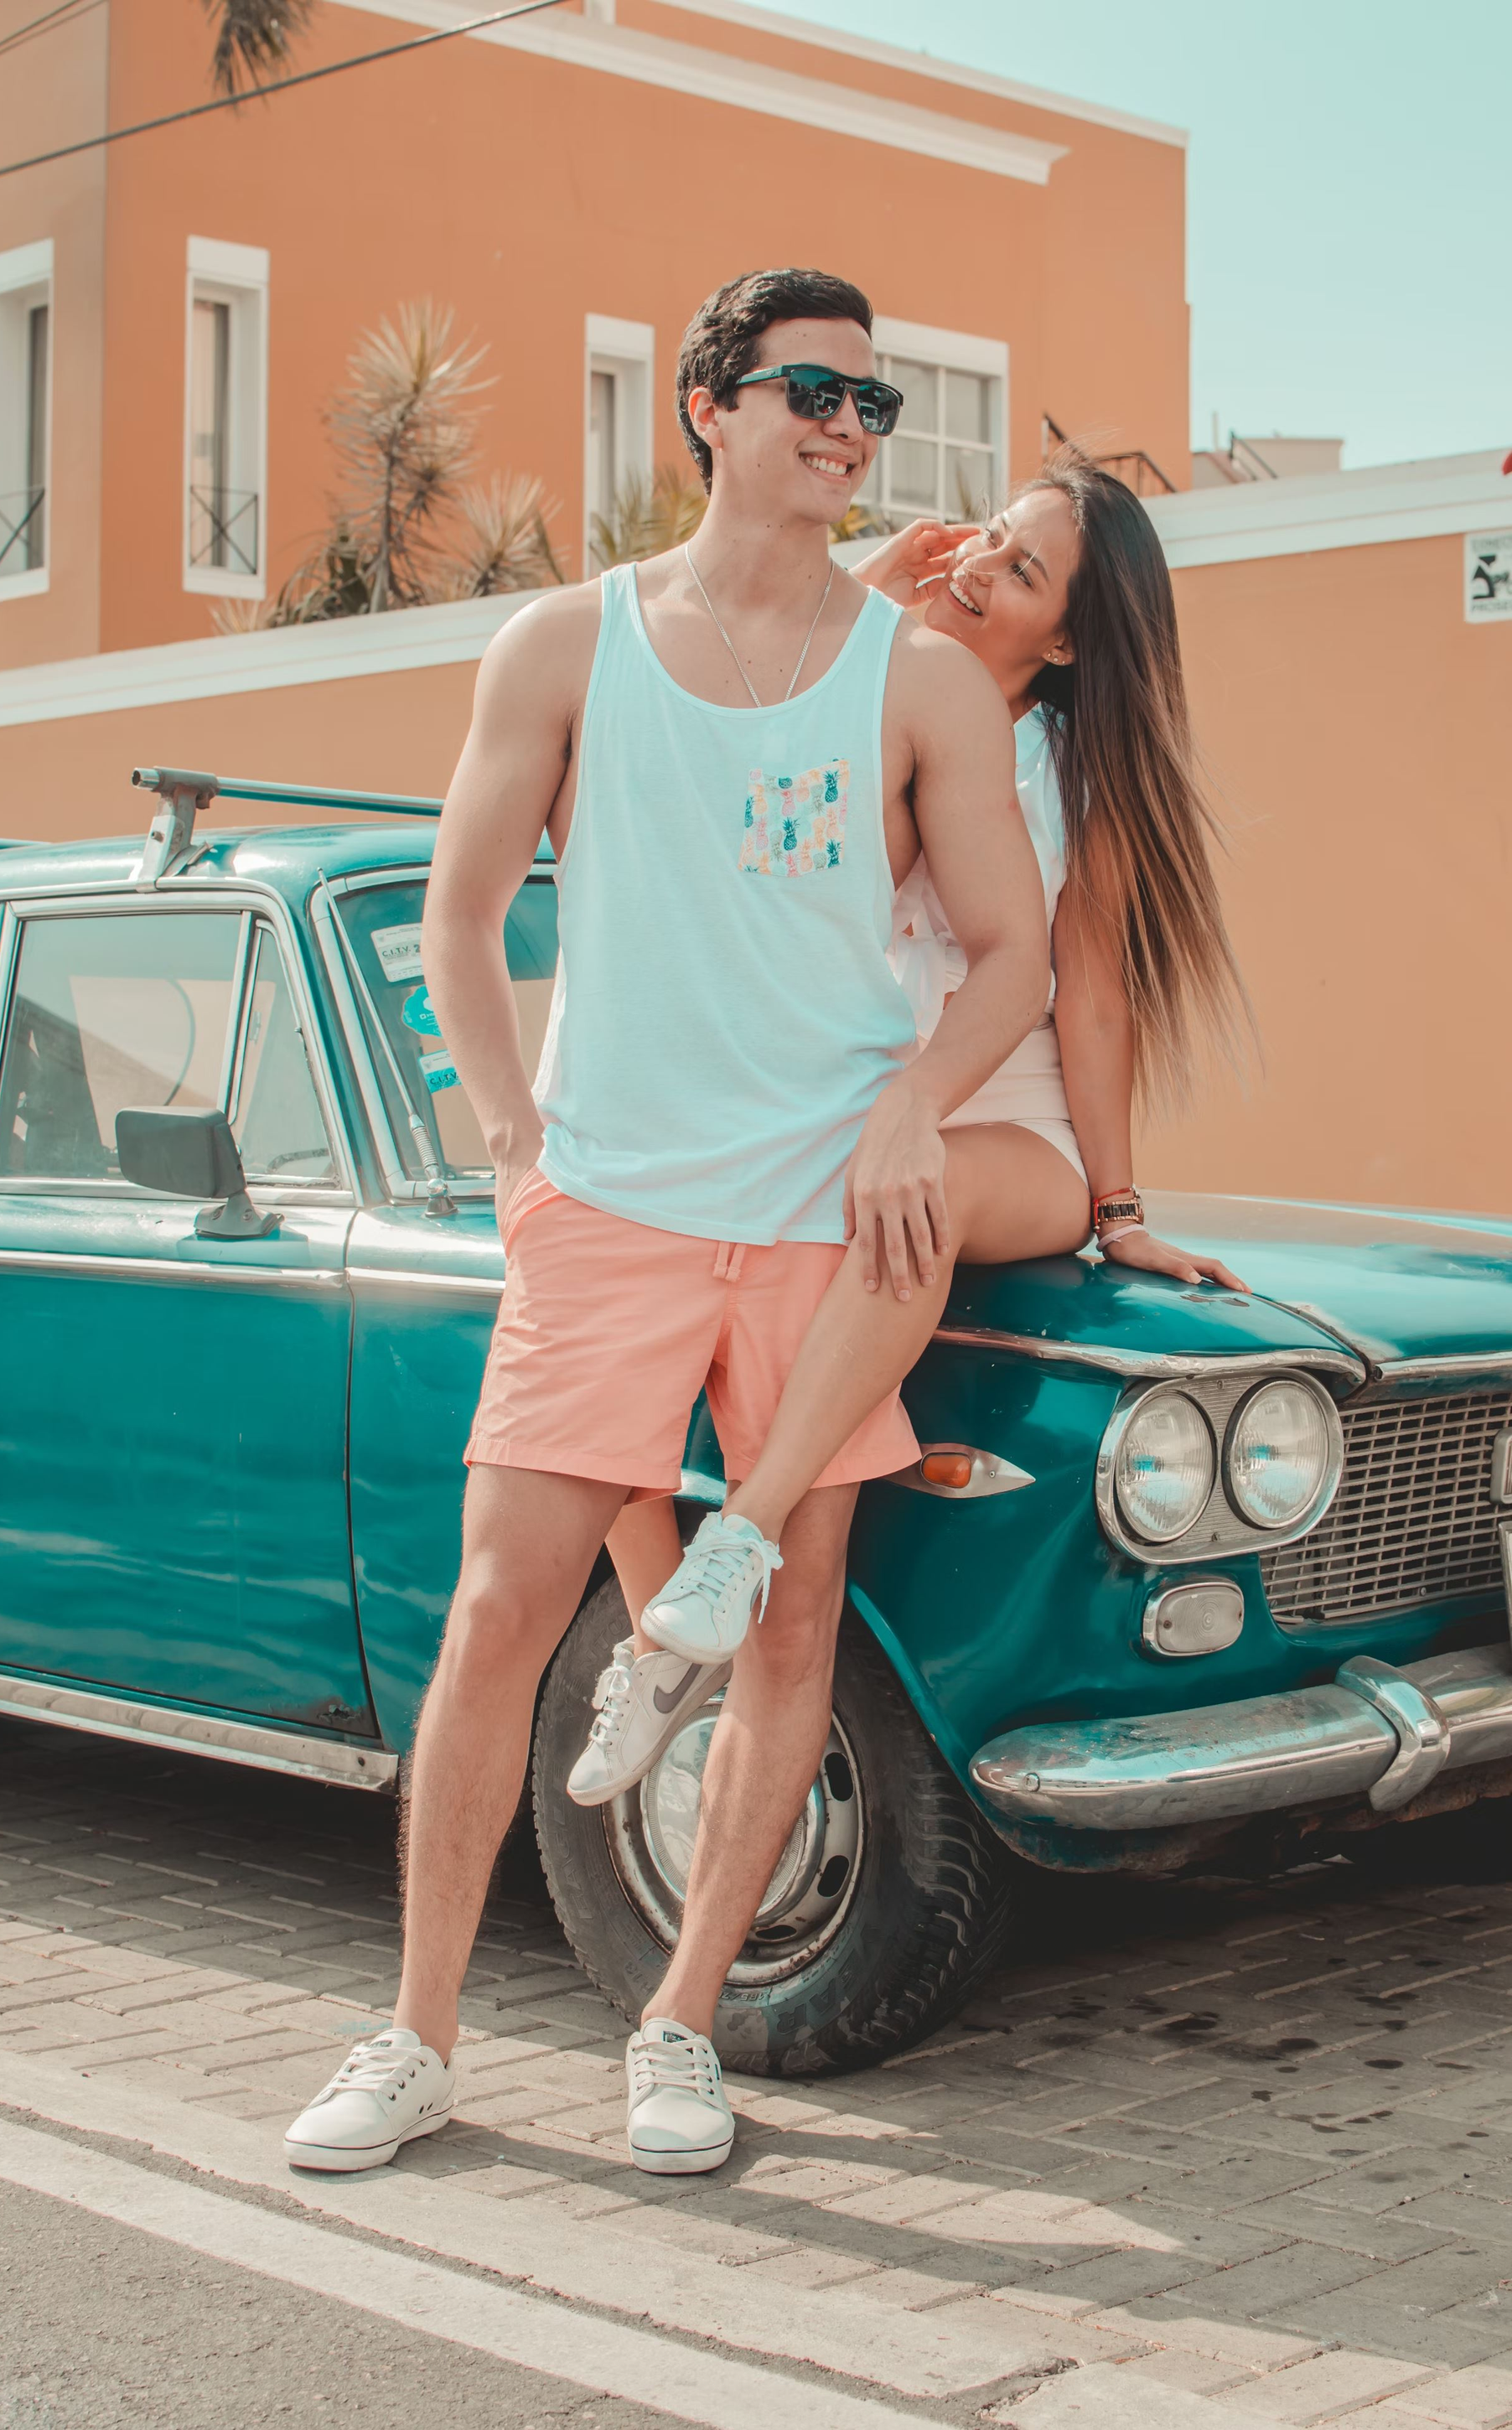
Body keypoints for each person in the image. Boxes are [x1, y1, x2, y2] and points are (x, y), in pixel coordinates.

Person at [282, 267, 1049, 2182]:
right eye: (813, 390)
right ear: (707, 406)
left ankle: (681, 2024)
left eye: (873, 406)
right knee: (492, 1621)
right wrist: (514, 1134)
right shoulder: (563, 645)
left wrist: (904, 1105)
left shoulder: (926, 682)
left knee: (787, 1633)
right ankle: (418, 2034)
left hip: (822, 1214)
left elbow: (1016, 952)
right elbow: (459, 920)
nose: (849, 429)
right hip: (609, 1200)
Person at [577, 446, 1250, 1795]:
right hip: (838, 1118)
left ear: (1067, 639)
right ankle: (664, 1644)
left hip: (1007, 1135)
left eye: (1021, 568)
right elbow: (746, 882)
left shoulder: (1073, 773)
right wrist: (861, 602)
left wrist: (1120, 1212)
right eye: (988, 534)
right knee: (606, 1268)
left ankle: (746, 1535)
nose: (979, 564)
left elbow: (1094, 996)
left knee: (914, 1172)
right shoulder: (857, 697)